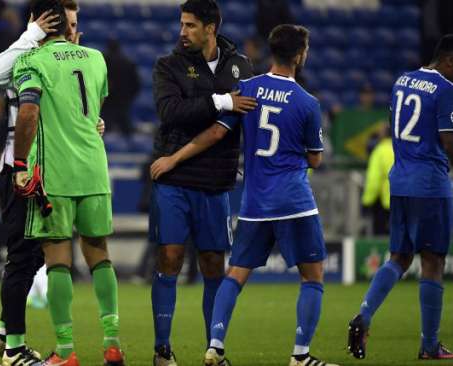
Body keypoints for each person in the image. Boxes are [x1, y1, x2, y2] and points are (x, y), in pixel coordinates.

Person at [151, 24, 337, 366]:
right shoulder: (308, 103)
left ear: (271, 51)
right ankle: (301, 356)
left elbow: (216, 133)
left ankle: (215, 346)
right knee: (313, 278)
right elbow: (315, 157)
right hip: (294, 202)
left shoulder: (247, 90)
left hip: (254, 204)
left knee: (234, 276)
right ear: (300, 55)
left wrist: (174, 158)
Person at [0, 1, 104, 364]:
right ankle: (14, 349)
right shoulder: (25, 54)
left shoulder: (69, 59)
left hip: (54, 169)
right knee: (23, 256)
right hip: (21, 169)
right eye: (63, 22)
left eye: (74, 22)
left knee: (40, 253)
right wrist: (33, 34)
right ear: (39, 21)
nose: (70, 29)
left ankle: (8, 327)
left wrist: (92, 124)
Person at [11, 1, 123, 365]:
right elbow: (95, 111)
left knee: (57, 259)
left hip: (55, 175)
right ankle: (112, 342)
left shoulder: (31, 61)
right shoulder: (96, 58)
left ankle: (65, 352)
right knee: (99, 254)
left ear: (40, 23)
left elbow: (28, 112)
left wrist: (18, 162)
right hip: (94, 170)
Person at [149, 0, 255, 364]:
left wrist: (219, 107)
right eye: (182, 24)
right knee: (169, 258)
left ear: (211, 28)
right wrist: (224, 101)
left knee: (213, 265)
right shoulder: (169, 66)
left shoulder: (241, 67)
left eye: (191, 25)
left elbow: (237, 124)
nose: (183, 32)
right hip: (174, 179)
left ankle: (214, 349)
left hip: (217, 182)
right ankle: (162, 350)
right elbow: (171, 113)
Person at [347, 35, 453, 361]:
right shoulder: (446, 89)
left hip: (401, 181)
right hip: (431, 183)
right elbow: (449, 143)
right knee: (433, 261)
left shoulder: (402, 81)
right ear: (450, 61)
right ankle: (430, 345)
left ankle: (364, 315)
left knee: (399, 257)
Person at [102, 38, 140, 138]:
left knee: (102, 132)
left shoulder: (102, 62)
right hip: (123, 102)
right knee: (127, 132)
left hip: (107, 102)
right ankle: (132, 149)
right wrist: (128, 98)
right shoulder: (128, 62)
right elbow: (136, 84)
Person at [361, 126, 393, 235]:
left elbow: (374, 180)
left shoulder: (380, 151)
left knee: (383, 239)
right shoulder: (402, 148)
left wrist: (367, 202)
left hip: (385, 203)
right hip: (405, 200)